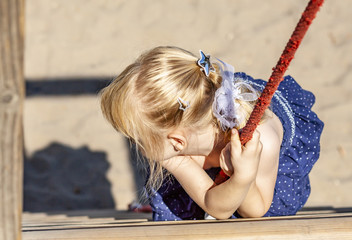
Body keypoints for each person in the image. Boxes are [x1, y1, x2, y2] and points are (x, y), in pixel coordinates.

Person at [100, 46, 324, 221]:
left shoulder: (262, 137)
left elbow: (256, 210)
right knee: (181, 209)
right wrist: (236, 181)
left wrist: (243, 177)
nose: (136, 147)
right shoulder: (172, 149)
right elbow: (214, 204)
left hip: (264, 177)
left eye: (136, 139)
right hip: (202, 138)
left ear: (177, 141)